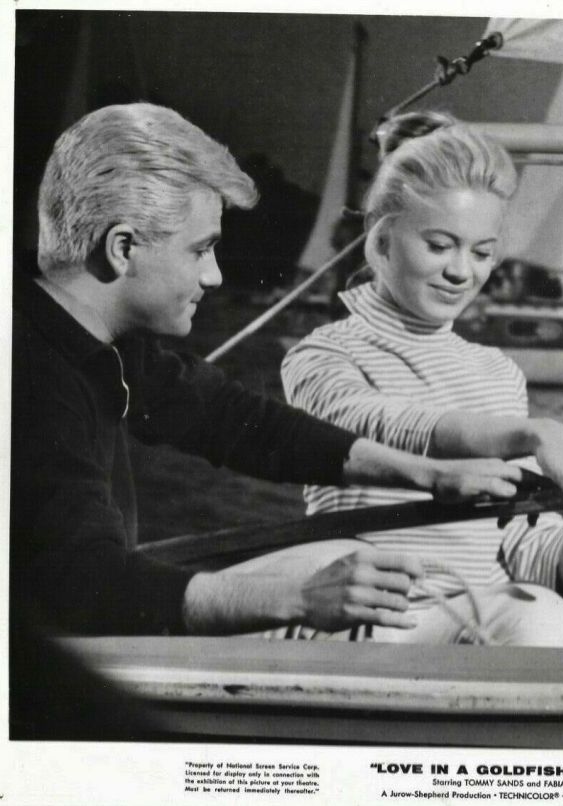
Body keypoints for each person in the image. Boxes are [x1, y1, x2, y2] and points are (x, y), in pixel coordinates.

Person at [11, 103, 524, 639]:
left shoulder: (95, 341)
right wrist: (299, 598)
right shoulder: (30, 379)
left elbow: (241, 423)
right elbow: (85, 585)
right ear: (122, 248)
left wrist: (428, 474)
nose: (213, 276)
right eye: (201, 250)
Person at [277, 112, 563, 648]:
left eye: (482, 252)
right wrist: (532, 434)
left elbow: (524, 550)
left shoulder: (498, 372)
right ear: (382, 243)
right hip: (375, 621)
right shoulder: (322, 354)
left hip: (486, 620)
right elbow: (373, 425)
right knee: (535, 617)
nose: (461, 271)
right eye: (439, 245)